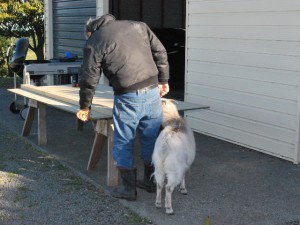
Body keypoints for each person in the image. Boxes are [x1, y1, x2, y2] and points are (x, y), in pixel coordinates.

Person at [76, 14, 170, 201]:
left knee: (123, 142)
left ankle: (128, 190)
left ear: (89, 31)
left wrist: (85, 106)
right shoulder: (138, 26)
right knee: (151, 138)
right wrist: (163, 80)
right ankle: (151, 182)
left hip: (128, 97)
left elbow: (89, 77)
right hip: (153, 92)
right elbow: (160, 51)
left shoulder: (95, 40)